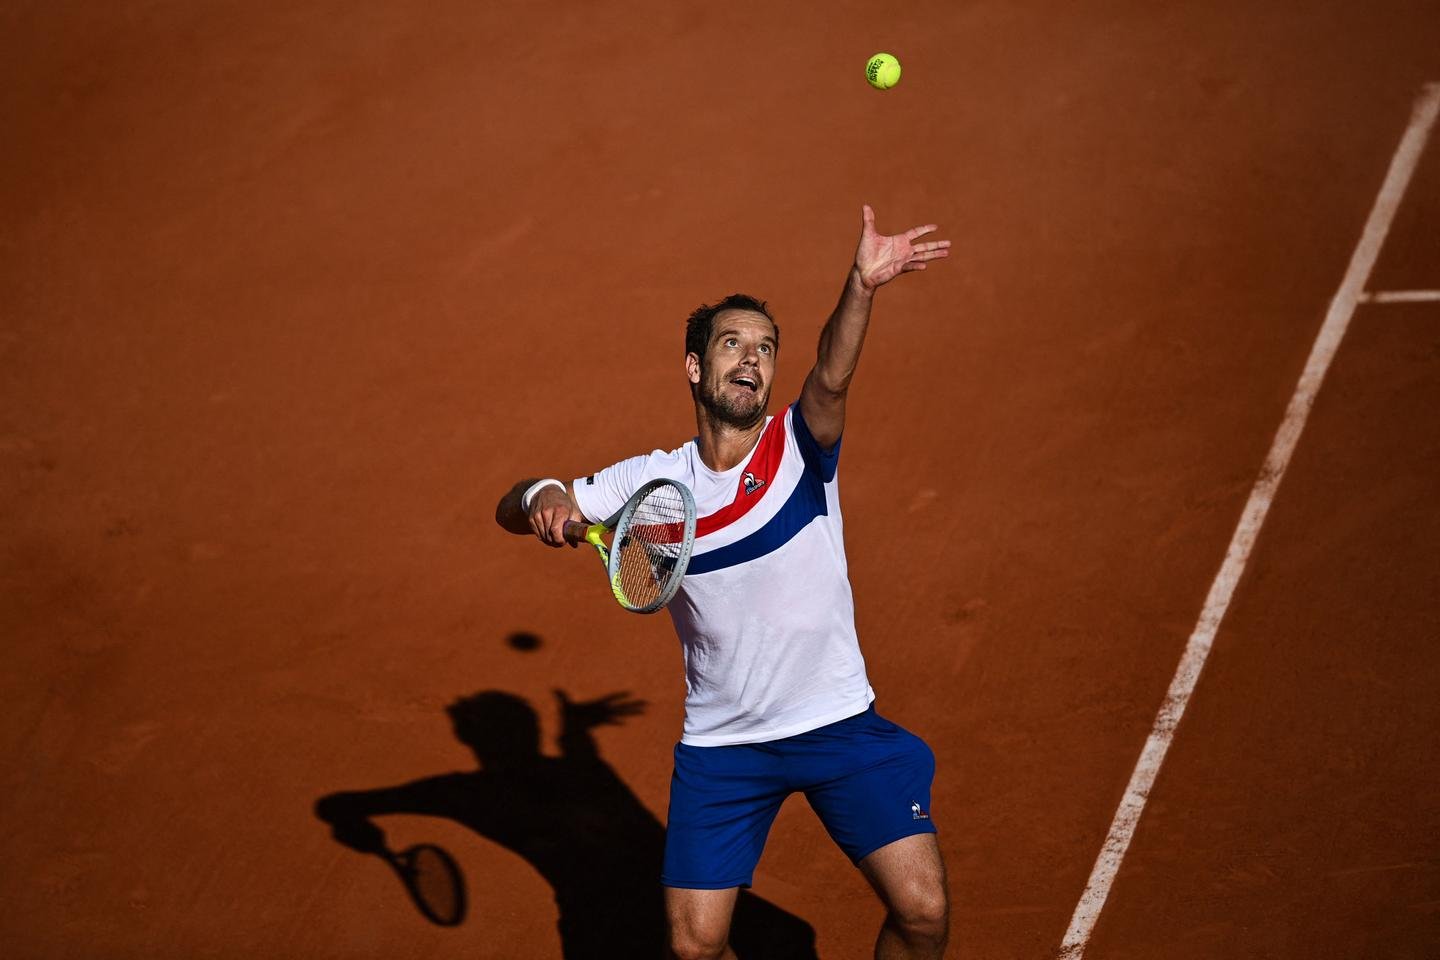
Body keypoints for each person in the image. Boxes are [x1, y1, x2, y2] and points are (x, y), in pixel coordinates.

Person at [495, 205, 951, 960]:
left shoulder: (799, 445)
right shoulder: (655, 481)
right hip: (726, 744)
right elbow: (514, 504)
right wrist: (542, 498)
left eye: (765, 349)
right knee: (693, 948)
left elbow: (833, 374)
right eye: (732, 344)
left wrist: (862, 286)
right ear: (695, 367)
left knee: (924, 912)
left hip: (838, 720)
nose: (751, 360)